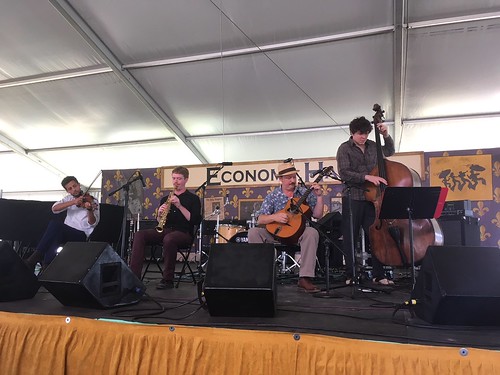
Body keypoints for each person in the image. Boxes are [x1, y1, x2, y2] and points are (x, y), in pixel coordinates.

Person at [336, 116, 395, 286]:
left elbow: (389, 152)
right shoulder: (344, 148)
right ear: (352, 133)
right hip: (353, 197)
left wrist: (385, 135)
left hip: (372, 198)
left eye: (366, 133)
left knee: (375, 236)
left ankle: (379, 274)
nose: (363, 137)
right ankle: (351, 274)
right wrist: (367, 176)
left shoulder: (374, 146)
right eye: (360, 133)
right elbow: (344, 173)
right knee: (350, 237)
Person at [248, 161, 324, 292]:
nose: (292, 180)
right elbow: (260, 218)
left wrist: (319, 197)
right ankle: (262, 276)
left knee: (312, 232)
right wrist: (274, 217)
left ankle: (305, 278)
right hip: (276, 235)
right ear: (280, 179)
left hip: (298, 233)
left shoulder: (304, 193)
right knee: (253, 232)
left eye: (294, 177)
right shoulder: (273, 196)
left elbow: (318, 215)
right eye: (288, 178)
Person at [129, 166, 201, 289]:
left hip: (183, 233)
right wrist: (159, 214)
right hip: (166, 230)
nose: (176, 182)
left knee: (169, 238)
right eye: (174, 178)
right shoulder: (165, 199)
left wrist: (179, 205)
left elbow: (194, 220)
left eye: (179, 178)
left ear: (186, 180)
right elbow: (160, 221)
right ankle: (133, 278)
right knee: (139, 235)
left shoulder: (193, 199)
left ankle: (168, 280)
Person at [25, 176, 100, 270]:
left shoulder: (93, 200)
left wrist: (89, 210)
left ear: (79, 185)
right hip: (65, 233)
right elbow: (54, 209)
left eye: (75, 186)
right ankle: (46, 267)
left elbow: (93, 223)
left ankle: (35, 257)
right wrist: (73, 202)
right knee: (52, 235)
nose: (74, 189)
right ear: (68, 191)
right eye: (70, 188)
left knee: (56, 226)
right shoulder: (69, 199)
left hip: (81, 235)